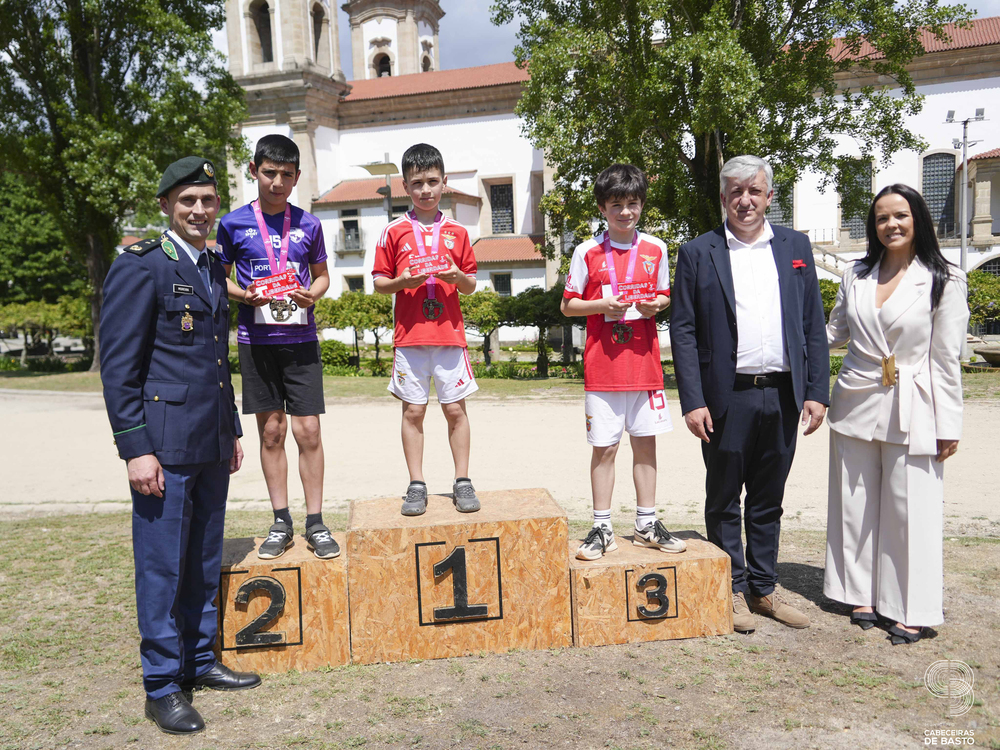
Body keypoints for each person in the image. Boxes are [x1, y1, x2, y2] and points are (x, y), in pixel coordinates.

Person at [100, 157, 260, 735]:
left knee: (202, 561)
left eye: (208, 201)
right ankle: (162, 684)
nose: (199, 211)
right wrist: (134, 449)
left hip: (211, 439)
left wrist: (234, 430)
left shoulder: (214, 266)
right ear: (166, 204)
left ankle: (198, 659)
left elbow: (217, 361)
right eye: (188, 200)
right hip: (163, 448)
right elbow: (120, 370)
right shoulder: (140, 267)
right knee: (162, 566)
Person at [670, 154, 829, 634]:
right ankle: (732, 590)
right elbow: (684, 330)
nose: (745, 200)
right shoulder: (699, 252)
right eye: (735, 192)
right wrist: (693, 400)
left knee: (768, 499)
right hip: (726, 398)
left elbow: (812, 325)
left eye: (754, 191)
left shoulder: (795, 247)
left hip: (781, 394)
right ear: (723, 198)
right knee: (722, 499)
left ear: (769, 197)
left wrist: (817, 390)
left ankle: (763, 590)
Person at [824, 184, 968, 645]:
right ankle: (858, 592)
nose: (892, 225)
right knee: (854, 504)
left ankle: (912, 606)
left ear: (917, 218)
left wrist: (949, 424)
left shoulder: (945, 278)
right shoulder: (856, 274)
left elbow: (946, 359)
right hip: (855, 397)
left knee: (911, 510)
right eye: (882, 217)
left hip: (916, 403)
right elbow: (832, 332)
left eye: (900, 215)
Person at [216, 134, 338, 561]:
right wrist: (243, 295)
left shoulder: (308, 224)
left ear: (297, 177)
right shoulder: (232, 224)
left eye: (287, 175)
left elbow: (322, 276)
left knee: (309, 431)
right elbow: (220, 278)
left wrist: (313, 294)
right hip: (257, 342)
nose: (277, 182)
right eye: (269, 173)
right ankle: (281, 521)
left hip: (301, 341)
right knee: (272, 432)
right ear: (254, 171)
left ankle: (317, 522)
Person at [561, 164, 686, 561]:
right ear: (602, 207)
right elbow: (567, 306)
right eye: (616, 204)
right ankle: (601, 526)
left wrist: (656, 305)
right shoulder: (587, 251)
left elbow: (665, 294)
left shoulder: (656, 249)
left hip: (645, 364)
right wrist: (601, 305)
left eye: (633, 203)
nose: (625, 212)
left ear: (641, 205)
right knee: (605, 448)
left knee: (645, 446)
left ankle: (646, 523)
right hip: (603, 367)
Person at [372, 143, 480, 515]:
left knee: (455, 411)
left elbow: (470, 285)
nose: (425, 190)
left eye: (432, 181)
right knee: (413, 413)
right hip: (411, 338)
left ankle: (462, 481)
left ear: (444, 181)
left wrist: (457, 276)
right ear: (405, 186)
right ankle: (416, 484)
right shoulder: (393, 232)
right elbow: (379, 283)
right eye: (417, 183)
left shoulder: (458, 232)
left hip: (449, 336)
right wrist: (402, 281)